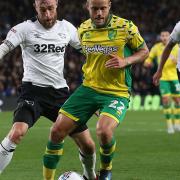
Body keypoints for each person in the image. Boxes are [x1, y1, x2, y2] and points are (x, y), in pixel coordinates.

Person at [43, 0, 149, 179]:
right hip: (89, 89)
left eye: (103, 9)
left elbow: (144, 51)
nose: (99, 13)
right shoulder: (83, 29)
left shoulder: (126, 27)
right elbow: (90, 57)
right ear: (87, 7)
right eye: (95, 9)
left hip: (116, 92)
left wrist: (126, 61)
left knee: (104, 131)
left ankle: (106, 170)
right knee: (56, 131)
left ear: (109, 6)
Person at [0, 0, 97, 180]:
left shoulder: (67, 28)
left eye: (50, 9)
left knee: (88, 145)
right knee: (17, 132)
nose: (47, 15)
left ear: (57, 5)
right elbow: (4, 48)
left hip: (60, 94)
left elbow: (90, 53)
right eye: (42, 10)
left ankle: (91, 176)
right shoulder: (24, 29)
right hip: (32, 92)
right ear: (35, 6)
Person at [144, 30, 180, 134]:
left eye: (166, 36)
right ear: (160, 37)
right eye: (162, 36)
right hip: (163, 78)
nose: (164, 37)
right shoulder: (156, 48)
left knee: (177, 100)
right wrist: (147, 63)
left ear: (170, 36)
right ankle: (169, 126)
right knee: (165, 100)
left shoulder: (176, 47)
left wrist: (176, 61)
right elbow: (148, 60)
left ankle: (177, 123)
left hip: (175, 78)